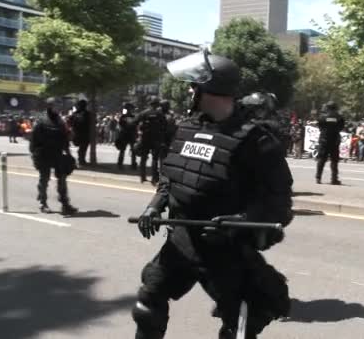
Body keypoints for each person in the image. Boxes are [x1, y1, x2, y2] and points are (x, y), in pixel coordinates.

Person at [132, 51, 293, 339]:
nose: (189, 91)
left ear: (212, 88)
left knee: (240, 324)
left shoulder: (256, 140)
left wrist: (240, 221)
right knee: (147, 302)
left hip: (225, 250)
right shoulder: (186, 128)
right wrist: (154, 207)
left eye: (194, 85)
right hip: (180, 242)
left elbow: (278, 202)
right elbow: (171, 176)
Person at [29, 98, 78, 215]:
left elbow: (65, 139)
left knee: (62, 179)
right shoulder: (41, 121)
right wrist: (34, 154)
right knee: (44, 179)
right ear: (49, 106)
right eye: (55, 106)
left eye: (59, 105)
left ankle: (65, 204)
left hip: (57, 153)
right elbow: (33, 140)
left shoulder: (61, 121)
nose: (58, 108)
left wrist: (69, 154)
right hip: (44, 154)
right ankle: (43, 203)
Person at [133, 96, 167, 184]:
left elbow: (134, 122)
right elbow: (165, 126)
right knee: (155, 159)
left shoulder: (144, 113)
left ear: (149, 104)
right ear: (157, 104)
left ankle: (142, 177)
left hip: (145, 138)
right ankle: (154, 179)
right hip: (156, 139)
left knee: (143, 158)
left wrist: (139, 131)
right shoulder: (160, 114)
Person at [315, 101, 345, 184]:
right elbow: (341, 127)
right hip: (334, 140)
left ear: (327, 107)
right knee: (334, 161)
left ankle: (318, 178)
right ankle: (334, 179)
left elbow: (319, 126)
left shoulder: (322, 117)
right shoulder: (339, 117)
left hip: (324, 140)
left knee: (321, 159)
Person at [68, 100, 91, 166]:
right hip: (82, 133)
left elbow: (70, 121)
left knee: (83, 147)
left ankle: (81, 159)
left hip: (79, 133)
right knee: (83, 147)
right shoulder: (87, 113)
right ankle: (81, 159)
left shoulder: (75, 113)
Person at [116, 103, 138, 170]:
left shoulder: (123, 117)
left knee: (124, 150)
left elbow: (120, 125)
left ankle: (120, 164)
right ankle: (133, 164)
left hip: (125, 135)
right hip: (129, 135)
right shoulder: (132, 117)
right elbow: (135, 126)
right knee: (132, 151)